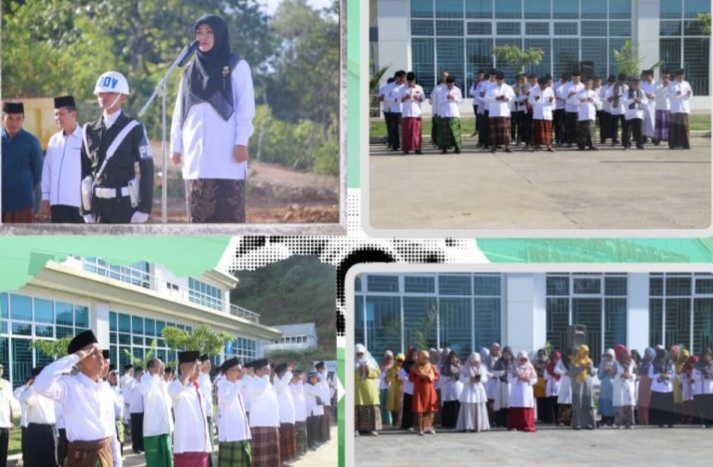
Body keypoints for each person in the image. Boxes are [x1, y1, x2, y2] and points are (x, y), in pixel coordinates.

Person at [170, 15, 255, 223]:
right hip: (195, 161)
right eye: (199, 33)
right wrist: (176, 145)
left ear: (220, 35)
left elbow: (245, 108)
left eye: (209, 32)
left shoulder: (237, 66)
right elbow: (179, 111)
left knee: (229, 223)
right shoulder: (189, 70)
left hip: (227, 160)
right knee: (198, 225)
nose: (203, 37)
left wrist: (241, 141)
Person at [33, 330, 118, 467]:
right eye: (93, 353)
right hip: (81, 457)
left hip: (106, 454)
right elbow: (40, 384)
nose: (100, 357)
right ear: (80, 362)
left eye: (101, 352)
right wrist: (75, 356)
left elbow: (111, 429)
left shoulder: (106, 388)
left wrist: (117, 461)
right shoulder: (69, 386)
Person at [81, 70, 153, 224]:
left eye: (110, 93)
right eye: (101, 93)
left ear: (123, 97)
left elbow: (147, 169)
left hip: (125, 206)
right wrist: (86, 209)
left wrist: (144, 208)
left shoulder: (135, 129)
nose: (104, 97)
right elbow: (85, 172)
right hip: (98, 207)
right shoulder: (88, 131)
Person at [40, 95, 83, 223]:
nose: (58, 118)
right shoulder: (54, 140)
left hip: (79, 204)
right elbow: (47, 171)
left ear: (73, 114)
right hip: (57, 204)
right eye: (56, 114)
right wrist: (46, 196)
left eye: (61, 114)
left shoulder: (85, 138)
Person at [2, 101, 43, 223]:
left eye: (18, 118)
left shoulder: (32, 142)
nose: (14, 123)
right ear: (3, 118)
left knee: (23, 236)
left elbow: (37, 177)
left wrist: (37, 206)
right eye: (10, 118)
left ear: (23, 119)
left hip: (23, 206)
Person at [169, 351, 211, 467]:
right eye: (196, 367)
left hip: (201, 445)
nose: (199, 371)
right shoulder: (175, 386)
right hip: (186, 448)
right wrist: (188, 373)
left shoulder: (196, 387)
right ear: (183, 367)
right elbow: (174, 391)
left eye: (199, 367)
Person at [244, 359, 280, 467]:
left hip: (272, 423)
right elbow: (260, 391)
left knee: (271, 458)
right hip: (260, 424)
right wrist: (266, 377)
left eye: (268, 369)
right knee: (261, 460)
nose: (269, 371)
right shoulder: (252, 383)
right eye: (266, 369)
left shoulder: (267, 383)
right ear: (258, 370)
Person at [20, 367, 59, 467]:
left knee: (51, 461)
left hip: (51, 429)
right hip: (36, 430)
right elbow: (24, 398)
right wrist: (35, 385)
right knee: (35, 461)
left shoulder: (50, 389)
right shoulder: (31, 391)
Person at [217, 358, 252, 467]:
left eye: (241, 370)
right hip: (230, 436)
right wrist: (239, 382)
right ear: (229, 372)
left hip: (241, 434)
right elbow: (228, 400)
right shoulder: (222, 386)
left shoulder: (235, 385)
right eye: (238, 370)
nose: (241, 373)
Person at [140, 358, 174, 467]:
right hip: (153, 431)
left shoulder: (164, 383)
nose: (163, 368)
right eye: (159, 366)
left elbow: (169, 405)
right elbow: (144, 391)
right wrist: (156, 376)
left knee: (168, 461)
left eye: (163, 365)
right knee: (155, 463)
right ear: (151, 368)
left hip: (165, 429)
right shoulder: (145, 381)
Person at [455, 352, 489, 432]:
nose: (475, 362)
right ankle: (468, 426)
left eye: (477, 361)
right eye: (474, 361)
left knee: (479, 406)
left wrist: (479, 379)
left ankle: (479, 426)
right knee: (468, 407)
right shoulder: (465, 368)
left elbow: (485, 379)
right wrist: (469, 379)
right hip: (468, 390)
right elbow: (461, 379)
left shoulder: (482, 368)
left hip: (479, 390)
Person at [409, 350, 439, 436]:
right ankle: (420, 428)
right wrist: (420, 377)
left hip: (430, 389)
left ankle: (429, 427)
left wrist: (430, 378)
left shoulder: (431, 366)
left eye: (427, 358)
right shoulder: (415, 367)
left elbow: (437, 376)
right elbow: (411, 378)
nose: (426, 360)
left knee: (431, 409)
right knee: (420, 409)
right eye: (423, 358)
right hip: (419, 390)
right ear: (419, 358)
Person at [507, 351, 538, 432]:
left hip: (527, 389)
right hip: (517, 389)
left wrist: (529, 379)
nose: (523, 361)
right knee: (516, 404)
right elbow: (509, 379)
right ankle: (515, 425)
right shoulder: (513, 367)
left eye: (525, 359)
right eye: (521, 359)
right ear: (518, 359)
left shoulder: (530, 367)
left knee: (526, 404)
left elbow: (535, 379)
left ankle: (527, 425)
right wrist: (518, 378)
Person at [354, 344, 381, 436]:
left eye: (361, 353)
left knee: (371, 408)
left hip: (370, 389)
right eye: (358, 354)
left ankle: (372, 429)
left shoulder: (371, 361)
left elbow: (377, 372)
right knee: (357, 409)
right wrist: (359, 372)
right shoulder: (351, 362)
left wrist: (369, 371)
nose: (360, 355)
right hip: (358, 390)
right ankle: (356, 429)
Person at [485, 71, 515, 153]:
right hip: (494, 112)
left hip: (505, 112)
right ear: (496, 79)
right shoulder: (490, 87)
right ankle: (493, 146)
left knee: (506, 131)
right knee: (494, 131)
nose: (500, 82)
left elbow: (513, 98)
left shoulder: (508, 88)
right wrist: (495, 98)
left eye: (501, 80)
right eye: (498, 80)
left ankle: (507, 146)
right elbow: (486, 98)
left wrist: (507, 99)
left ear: (503, 80)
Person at [273, 363, 297, 464]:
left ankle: (286, 460)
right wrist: (288, 375)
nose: (286, 374)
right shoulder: (277, 382)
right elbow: (280, 387)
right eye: (285, 372)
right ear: (280, 373)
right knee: (283, 440)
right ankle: (281, 461)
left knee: (289, 439)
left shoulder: (285, 383)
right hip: (282, 417)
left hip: (288, 416)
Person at [648, 346, 676, 428]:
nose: (663, 359)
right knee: (659, 406)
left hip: (668, 389)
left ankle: (670, 422)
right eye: (662, 357)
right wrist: (659, 375)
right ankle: (659, 422)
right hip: (657, 388)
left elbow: (674, 375)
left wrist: (668, 376)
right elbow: (650, 375)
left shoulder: (671, 363)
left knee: (668, 406)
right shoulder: (653, 363)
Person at [435, 76, 464, 154]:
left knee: (455, 132)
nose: (450, 86)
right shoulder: (441, 90)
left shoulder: (457, 90)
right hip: (444, 113)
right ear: (446, 83)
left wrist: (454, 98)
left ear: (454, 83)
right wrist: (446, 98)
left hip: (454, 113)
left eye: (451, 84)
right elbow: (439, 101)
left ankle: (457, 148)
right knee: (445, 133)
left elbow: (461, 101)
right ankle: (444, 148)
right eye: (448, 84)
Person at [399, 72, 425, 155]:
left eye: (412, 82)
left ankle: (417, 148)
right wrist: (405, 98)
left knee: (417, 132)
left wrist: (418, 98)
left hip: (416, 113)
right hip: (407, 113)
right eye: (409, 82)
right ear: (407, 80)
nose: (411, 83)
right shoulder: (402, 89)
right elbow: (400, 100)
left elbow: (423, 99)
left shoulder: (419, 88)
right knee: (407, 132)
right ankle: (406, 149)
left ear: (415, 80)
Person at [666, 69, 693, 150]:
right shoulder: (671, 84)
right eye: (679, 76)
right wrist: (675, 94)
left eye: (682, 76)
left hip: (684, 108)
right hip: (675, 108)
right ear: (676, 76)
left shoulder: (686, 84)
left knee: (685, 127)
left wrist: (688, 94)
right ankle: (673, 144)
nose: (681, 78)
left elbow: (691, 95)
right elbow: (667, 95)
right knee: (674, 127)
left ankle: (685, 144)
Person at [570, 345, 595, 430]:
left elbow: (593, 373)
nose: (585, 355)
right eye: (583, 353)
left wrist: (590, 367)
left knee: (588, 403)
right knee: (578, 403)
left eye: (586, 353)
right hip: (578, 386)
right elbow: (572, 373)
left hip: (587, 386)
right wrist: (581, 368)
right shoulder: (574, 361)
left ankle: (588, 423)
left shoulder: (589, 361)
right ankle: (577, 423)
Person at [528, 76, 555, 152]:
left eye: (545, 85)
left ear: (547, 84)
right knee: (537, 131)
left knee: (548, 131)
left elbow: (553, 101)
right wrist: (535, 99)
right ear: (539, 84)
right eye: (541, 85)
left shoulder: (550, 90)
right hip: (538, 113)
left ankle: (549, 146)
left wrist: (551, 100)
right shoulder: (534, 90)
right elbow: (530, 101)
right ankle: (536, 146)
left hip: (547, 113)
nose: (543, 87)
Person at [197, 355, 215, 465]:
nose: (209, 365)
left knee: (210, 442)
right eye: (207, 363)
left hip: (209, 413)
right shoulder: (199, 377)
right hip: (202, 415)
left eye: (210, 363)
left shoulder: (207, 377)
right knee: (206, 443)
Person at [612, 346, 636, 429]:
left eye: (629, 355)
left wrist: (631, 376)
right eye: (626, 354)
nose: (628, 356)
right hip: (620, 386)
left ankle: (629, 423)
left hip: (629, 385)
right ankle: (619, 423)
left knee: (629, 405)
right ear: (622, 354)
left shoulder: (632, 362)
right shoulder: (616, 363)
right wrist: (621, 375)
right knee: (620, 405)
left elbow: (636, 373)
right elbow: (613, 374)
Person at [621, 78, 648, 150]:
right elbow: (623, 101)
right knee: (627, 131)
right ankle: (627, 145)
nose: (636, 86)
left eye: (637, 84)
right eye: (634, 84)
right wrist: (633, 100)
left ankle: (640, 144)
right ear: (631, 84)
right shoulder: (626, 92)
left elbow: (646, 101)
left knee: (639, 130)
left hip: (639, 114)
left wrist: (641, 101)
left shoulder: (641, 91)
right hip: (629, 114)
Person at [575, 78, 601, 151]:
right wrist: (581, 101)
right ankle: (581, 146)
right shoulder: (579, 93)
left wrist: (593, 99)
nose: (588, 85)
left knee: (591, 131)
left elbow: (598, 102)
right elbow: (575, 103)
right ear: (584, 84)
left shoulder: (593, 93)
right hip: (583, 114)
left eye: (589, 84)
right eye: (586, 84)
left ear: (591, 85)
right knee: (582, 131)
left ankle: (592, 145)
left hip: (591, 114)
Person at [439, 350, 462, 428]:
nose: (454, 359)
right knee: (448, 405)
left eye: (455, 357)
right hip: (448, 387)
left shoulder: (460, 366)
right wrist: (449, 376)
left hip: (457, 387)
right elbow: (442, 377)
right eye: (452, 357)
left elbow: (461, 377)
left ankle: (456, 423)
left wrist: (455, 376)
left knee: (456, 404)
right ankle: (447, 423)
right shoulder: (444, 366)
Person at [491, 346, 513, 427]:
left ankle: (510, 422)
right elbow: (494, 372)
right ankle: (501, 422)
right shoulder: (499, 362)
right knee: (501, 404)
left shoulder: (514, 362)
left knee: (510, 404)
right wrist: (504, 372)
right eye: (505, 354)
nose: (507, 355)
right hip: (501, 385)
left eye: (508, 354)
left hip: (511, 385)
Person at [384, 70, 406, 152]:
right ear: (396, 78)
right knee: (394, 128)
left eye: (403, 78)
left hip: (404, 110)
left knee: (403, 129)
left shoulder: (406, 86)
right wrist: (394, 99)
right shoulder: (390, 86)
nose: (401, 80)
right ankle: (395, 145)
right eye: (400, 78)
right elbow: (386, 97)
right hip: (393, 110)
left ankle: (403, 144)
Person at [476, 70, 497, 149]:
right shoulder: (485, 84)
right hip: (487, 107)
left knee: (494, 126)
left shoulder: (497, 84)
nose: (493, 77)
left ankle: (495, 143)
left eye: (494, 76)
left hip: (495, 108)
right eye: (492, 76)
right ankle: (486, 143)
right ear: (490, 76)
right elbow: (481, 94)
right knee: (486, 126)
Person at [289, 370, 308, 457]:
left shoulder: (300, 387)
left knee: (303, 434)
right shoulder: (290, 388)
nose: (297, 380)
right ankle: (297, 451)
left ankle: (302, 450)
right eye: (296, 378)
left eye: (298, 378)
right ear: (291, 379)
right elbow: (297, 391)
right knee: (297, 435)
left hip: (302, 414)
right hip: (295, 416)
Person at [692, 347, 713, 428]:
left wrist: (710, 375)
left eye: (709, 355)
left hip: (710, 390)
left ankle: (710, 423)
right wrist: (703, 376)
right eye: (706, 355)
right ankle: (701, 422)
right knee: (701, 407)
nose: (707, 357)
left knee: (710, 408)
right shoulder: (697, 365)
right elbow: (694, 376)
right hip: (700, 390)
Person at [606, 74, 628, 147]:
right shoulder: (613, 87)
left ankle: (625, 141)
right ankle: (614, 140)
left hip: (625, 110)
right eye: (620, 81)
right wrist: (615, 97)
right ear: (618, 80)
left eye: (623, 81)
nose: (622, 82)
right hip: (615, 109)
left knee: (625, 126)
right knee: (614, 126)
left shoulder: (627, 88)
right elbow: (608, 99)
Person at [128, 366, 145, 454]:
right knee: (135, 430)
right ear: (137, 373)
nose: (142, 375)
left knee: (141, 429)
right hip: (134, 410)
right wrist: (136, 379)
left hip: (142, 409)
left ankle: (141, 446)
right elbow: (130, 387)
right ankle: (135, 447)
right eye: (141, 373)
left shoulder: (142, 383)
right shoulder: (131, 381)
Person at [303, 372, 323, 450]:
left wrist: (317, 384)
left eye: (316, 378)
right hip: (311, 410)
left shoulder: (313, 385)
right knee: (311, 428)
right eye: (314, 378)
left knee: (315, 427)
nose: (316, 379)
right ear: (310, 378)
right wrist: (319, 383)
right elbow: (319, 392)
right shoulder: (307, 386)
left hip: (315, 410)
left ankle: (313, 441)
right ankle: (310, 443)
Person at [430, 71, 450, 148]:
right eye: (443, 76)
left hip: (449, 112)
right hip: (439, 111)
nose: (444, 77)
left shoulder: (453, 87)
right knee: (438, 128)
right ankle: (438, 143)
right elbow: (432, 100)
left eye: (446, 76)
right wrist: (434, 112)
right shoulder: (437, 88)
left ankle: (448, 144)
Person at [597, 349, 617, 426]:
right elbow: (599, 376)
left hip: (613, 386)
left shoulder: (615, 363)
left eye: (610, 356)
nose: (608, 357)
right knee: (605, 402)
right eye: (607, 355)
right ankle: (604, 419)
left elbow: (618, 375)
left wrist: (612, 371)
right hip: (605, 386)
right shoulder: (602, 363)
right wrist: (604, 371)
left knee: (612, 403)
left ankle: (612, 419)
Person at [399, 349, 417, 430]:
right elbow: (401, 376)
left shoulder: (419, 365)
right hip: (409, 389)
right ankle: (407, 424)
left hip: (417, 389)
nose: (416, 357)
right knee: (408, 407)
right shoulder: (406, 365)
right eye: (414, 355)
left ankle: (416, 423)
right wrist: (410, 379)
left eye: (417, 355)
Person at [637, 347, 655, 425]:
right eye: (646, 353)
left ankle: (649, 420)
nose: (646, 355)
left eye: (648, 354)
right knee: (642, 402)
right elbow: (638, 372)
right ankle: (642, 419)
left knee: (649, 402)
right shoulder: (642, 362)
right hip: (643, 384)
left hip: (651, 383)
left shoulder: (654, 362)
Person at [483, 343, 500, 425]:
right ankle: (490, 420)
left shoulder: (501, 359)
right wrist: (492, 376)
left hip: (499, 382)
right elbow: (484, 370)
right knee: (490, 402)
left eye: (498, 349)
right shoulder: (486, 359)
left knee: (498, 401)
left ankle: (498, 420)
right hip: (490, 382)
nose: (496, 351)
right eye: (495, 349)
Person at [0, 363, 13, 467]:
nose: (0, 370)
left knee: (3, 451)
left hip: (5, 423)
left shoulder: (7, 384)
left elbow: (9, 402)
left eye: (1, 368)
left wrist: (12, 420)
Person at [385, 353, 404, 426]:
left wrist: (400, 377)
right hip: (393, 389)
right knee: (394, 405)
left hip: (401, 388)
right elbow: (387, 378)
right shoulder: (392, 368)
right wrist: (394, 378)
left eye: (401, 361)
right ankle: (394, 421)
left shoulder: (404, 369)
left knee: (400, 405)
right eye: (398, 360)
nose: (399, 362)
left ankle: (400, 421)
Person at [543, 350, 562, 424]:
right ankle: (551, 419)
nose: (556, 360)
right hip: (550, 385)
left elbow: (563, 374)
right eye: (555, 359)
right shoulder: (548, 367)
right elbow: (545, 376)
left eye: (557, 359)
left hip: (558, 385)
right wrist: (552, 375)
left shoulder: (561, 367)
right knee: (550, 403)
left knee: (558, 402)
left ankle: (558, 418)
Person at [315, 361, 331, 442]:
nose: (325, 369)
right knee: (323, 420)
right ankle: (322, 437)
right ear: (319, 369)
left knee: (327, 419)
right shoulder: (318, 376)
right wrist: (325, 371)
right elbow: (324, 376)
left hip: (326, 401)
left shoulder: (322, 377)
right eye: (323, 368)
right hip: (322, 402)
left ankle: (326, 436)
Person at [653, 71, 671, 145]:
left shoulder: (671, 84)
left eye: (668, 77)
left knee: (668, 124)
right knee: (659, 124)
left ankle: (668, 138)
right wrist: (663, 86)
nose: (666, 79)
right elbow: (656, 94)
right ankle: (657, 139)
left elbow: (672, 94)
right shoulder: (657, 83)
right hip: (659, 106)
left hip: (668, 107)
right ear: (662, 77)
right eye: (665, 77)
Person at [680, 354, 699, 424]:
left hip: (694, 388)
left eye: (695, 363)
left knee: (693, 404)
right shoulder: (684, 369)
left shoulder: (697, 369)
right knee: (685, 403)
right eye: (692, 362)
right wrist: (689, 380)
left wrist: (693, 380)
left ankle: (692, 418)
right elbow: (681, 378)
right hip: (686, 388)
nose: (693, 364)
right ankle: (685, 418)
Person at [377, 351, 394, 426]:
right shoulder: (380, 366)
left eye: (390, 358)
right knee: (381, 404)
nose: (388, 360)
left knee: (388, 405)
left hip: (390, 388)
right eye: (387, 358)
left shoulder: (394, 366)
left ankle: (389, 421)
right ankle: (382, 420)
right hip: (381, 388)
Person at [640, 70, 657, 143]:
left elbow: (659, 94)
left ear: (652, 76)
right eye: (645, 77)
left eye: (648, 77)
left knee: (653, 121)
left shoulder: (656, 84)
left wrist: (653, 96)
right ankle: (644, 137)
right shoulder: (643, 85)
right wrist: (645, 95)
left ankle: (654, 137)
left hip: (653, 105)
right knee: (644, 122)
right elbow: (640, 93)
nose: (646, 78)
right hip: (645, 105)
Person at [377, 78, 395, 147]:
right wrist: (383, 97)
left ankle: (394, 141)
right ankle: (390, 141)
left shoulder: (396, 89)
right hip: (387, 110)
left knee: (395, 127)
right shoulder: (383, 88)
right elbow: (379, 99)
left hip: (396, 110)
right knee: (390, 126)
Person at [532, 349, 548, 422]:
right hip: (538, 381)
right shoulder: (535, 362)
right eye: (540, 354)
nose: (542, 355)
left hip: (547, 381)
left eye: (543, 354)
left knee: (546, 400)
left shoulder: (548, 362)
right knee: (539, 401)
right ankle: (540, 417)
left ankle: (546, 417)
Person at [598, 75, 615, 144]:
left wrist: (613, 99)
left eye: (612, 82)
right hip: (605, 109)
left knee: (613, 126)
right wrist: (607, 99)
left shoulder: (616, 88)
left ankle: (614, 139)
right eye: (610, 81)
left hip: (614, 110)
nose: (611, 83)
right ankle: (603, 138)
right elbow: (599, 97)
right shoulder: (603, 88)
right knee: (604, 125)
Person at [469, 70, 486, 137]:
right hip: (476, 103)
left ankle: (482, 130)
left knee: (482, 117)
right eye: (479, 75)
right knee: (477, 117)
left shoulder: (486, 83)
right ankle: (477, 130)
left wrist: (476, 92)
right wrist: (477, 91)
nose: (480, 76)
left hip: (483, 103)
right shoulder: (475, 83)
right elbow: (470, 92)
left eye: (482, 75)